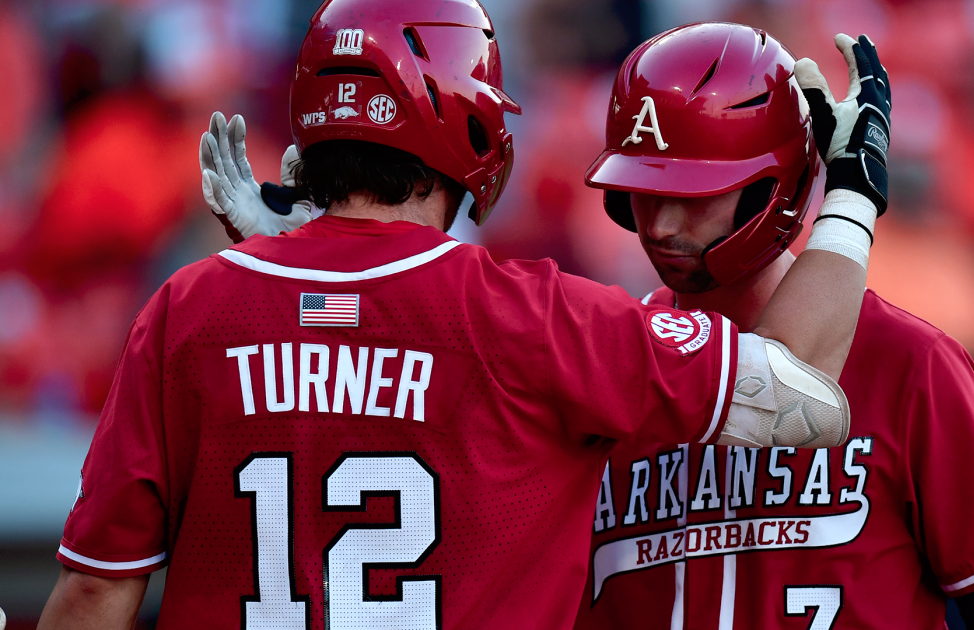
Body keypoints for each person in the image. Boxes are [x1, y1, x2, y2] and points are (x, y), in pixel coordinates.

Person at [37, 3, 877, 629]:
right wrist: (851, 193)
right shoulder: (534, 318)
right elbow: (800, 391)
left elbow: (96, 589)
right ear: (470, 126)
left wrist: (298, 269)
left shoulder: (189, 308)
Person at [573, 24, 974, 630]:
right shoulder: (607, 361)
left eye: (694, 191)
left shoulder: (908, 360)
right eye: (643, 189)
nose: (659, 224)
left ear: (771, 185)